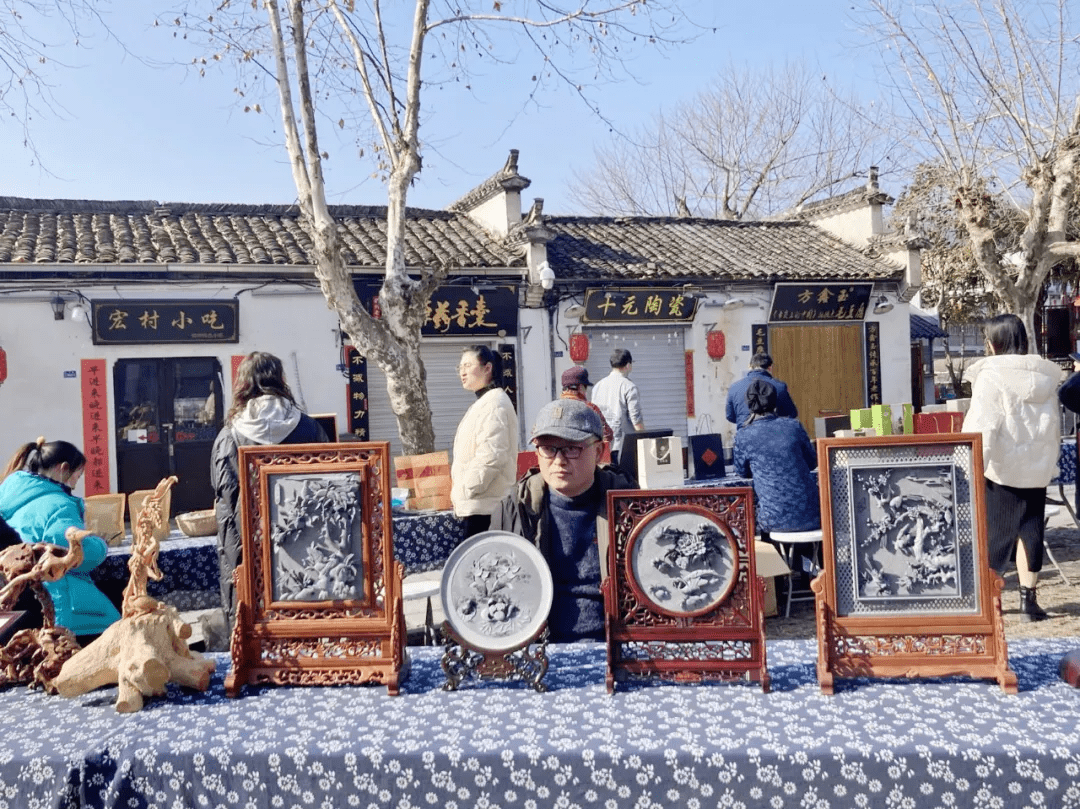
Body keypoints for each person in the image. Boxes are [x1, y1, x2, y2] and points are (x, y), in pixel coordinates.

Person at [491, 398, 636, 643]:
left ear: (599, 451)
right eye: (548, 449)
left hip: (617, 641)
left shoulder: (627, 505)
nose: (559, 461)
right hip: (539, 646)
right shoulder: (516, 507)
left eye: (572, 448)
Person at [211, 352, 328, 628]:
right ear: (281, 380)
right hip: (303, 539)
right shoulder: (308, 427)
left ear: (244, 383)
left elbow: (225, 497)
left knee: (253, 615)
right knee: (303, 608)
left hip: (249, 542)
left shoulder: (231, 435)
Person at [963, 314, 1061, 622]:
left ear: (994, 343)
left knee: (996, 535)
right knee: (1030, 531)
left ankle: (989, 602)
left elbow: (983, 427)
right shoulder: (1044, 377)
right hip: (1036, 469)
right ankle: (1028, 602)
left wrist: (972, 466)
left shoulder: (991, 376)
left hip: (1001, 470)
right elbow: (1053, 426)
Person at [0, 438, 119, 641]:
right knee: (118, 629)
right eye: (77, 476)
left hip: (13, 595)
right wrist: (100, 544)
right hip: (57, 603)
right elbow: (69, 552)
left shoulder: (7, 491)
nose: (75, 483)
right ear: (63, 469)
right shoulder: (59, 504)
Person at [732, 379, 820, 538]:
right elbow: (812, 462)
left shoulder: (743, 436)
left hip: (773, 520)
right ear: (775, 400)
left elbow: (742, 472)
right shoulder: (794, 426)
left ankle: (780, 562)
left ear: (749, 404)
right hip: (812, 515)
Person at [451, 345, 519, 538]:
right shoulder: (485, 402)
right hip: (479, 504)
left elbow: (493, 455)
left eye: (467, 365)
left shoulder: (495, 403)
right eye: (460, 367)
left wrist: (467, 489)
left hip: (486, 508)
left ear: (487, 368)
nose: (462, 372)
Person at [591, 349, 645, 466]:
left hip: (602, 446)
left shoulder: (598, 386)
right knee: (626, 481)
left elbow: (593, 413)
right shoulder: (629, 387)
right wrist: (643, 438)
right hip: (623, 446)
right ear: (628, 365)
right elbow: (635, 417)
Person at [726, 352, 798, 429]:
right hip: (773, 434)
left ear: (750, 367)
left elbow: (730, 416)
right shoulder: (780, 386)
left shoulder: (734, 387)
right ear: (770, 368)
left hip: (744, 435)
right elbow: (791, 413)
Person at [560, 366, 614, 448]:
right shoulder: (591, 408)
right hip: (585, 457)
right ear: (581, 387)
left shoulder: (550, 410)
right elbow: (607, 435)